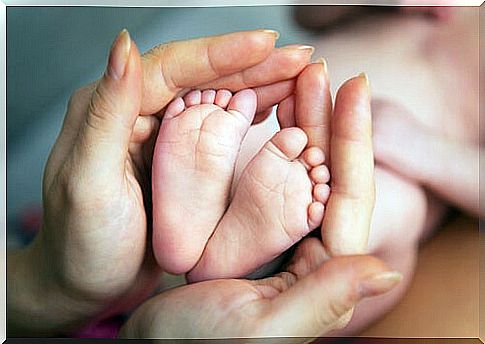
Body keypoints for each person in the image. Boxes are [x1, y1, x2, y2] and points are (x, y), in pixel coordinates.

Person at [7, 29, 401, 338]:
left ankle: (237, 248)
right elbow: (312, 14)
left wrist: (431, 156)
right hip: (297, 170)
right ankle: (234, 247)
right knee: (380, 212)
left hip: (285, 155)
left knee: (399, 206)